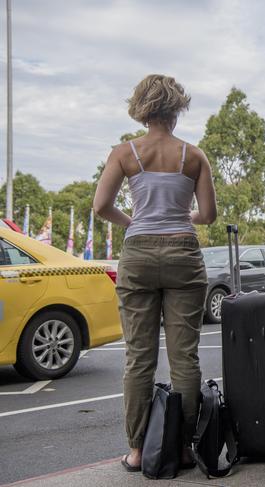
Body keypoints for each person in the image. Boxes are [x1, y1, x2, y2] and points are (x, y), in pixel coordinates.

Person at [93, 74, 217, 472]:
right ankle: (182, 448)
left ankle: (137, 449)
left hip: (140, 255)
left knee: (138, 358)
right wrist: (183, 216)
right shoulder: (193, 156)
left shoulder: (124, 153)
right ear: (176, 109)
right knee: (185, 359)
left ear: (143, 108)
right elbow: (209, 216)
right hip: (183, 252)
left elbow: (101, 207)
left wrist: (135, 221)